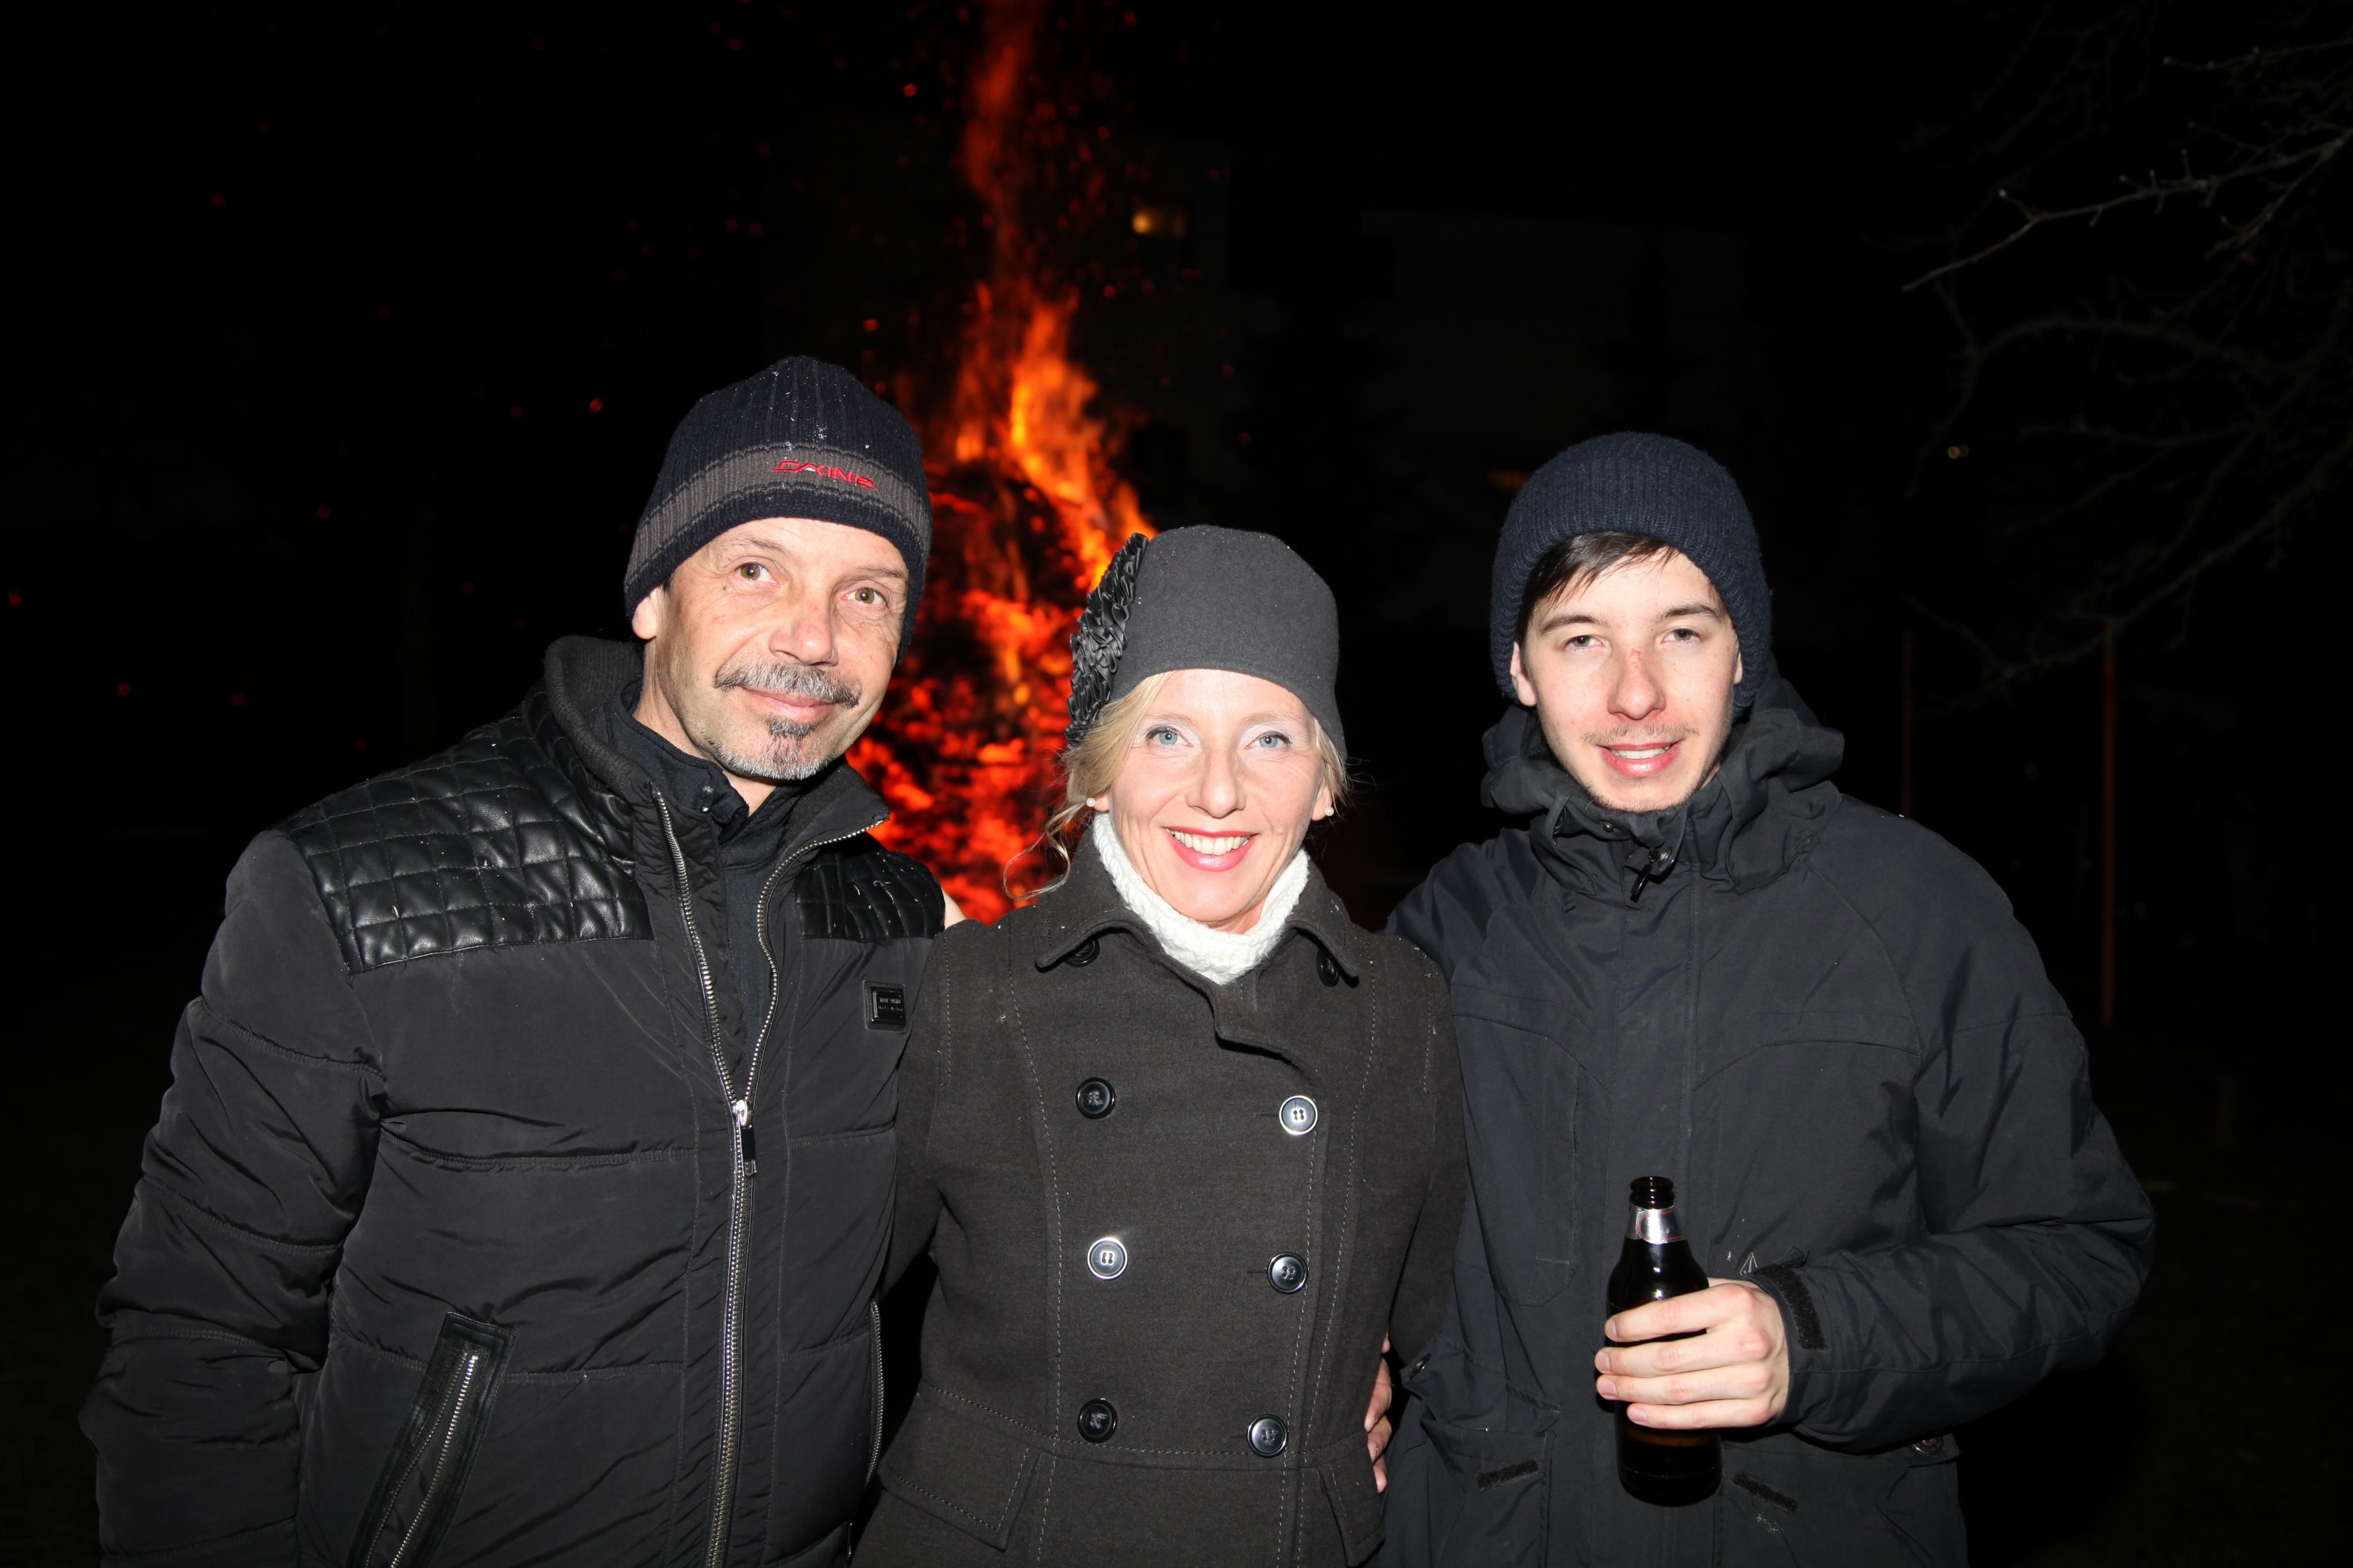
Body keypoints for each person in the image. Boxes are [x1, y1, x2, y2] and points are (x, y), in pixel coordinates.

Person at [82, 357, 960, 1567]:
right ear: (652, 594)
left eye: (866, 593)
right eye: (756, 569)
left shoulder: (898, 918)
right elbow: (198, 1335)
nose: (814, 637)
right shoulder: (358, 886)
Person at [1378, 434, 2155, 1566]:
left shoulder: (1916, 913)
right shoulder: (1441, 932)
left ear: (1742, 649)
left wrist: (1815, 1338)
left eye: (1681, 632)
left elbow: (2076, 1251)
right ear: (1518, 667)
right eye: (1582, 638)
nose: (1635, 693)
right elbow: (1349, 1240)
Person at [859, 527, 1468, 1567]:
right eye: (1168, 734)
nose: (1218, 792)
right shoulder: (970, 991)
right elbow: (813, 1318)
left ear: (1326, 783)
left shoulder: (1402, 1012)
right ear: (1099, 772)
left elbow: (1458, 1346)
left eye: (1270, 739)